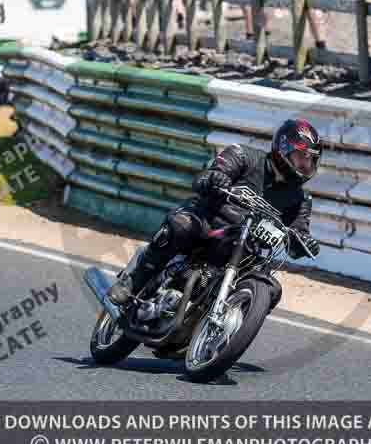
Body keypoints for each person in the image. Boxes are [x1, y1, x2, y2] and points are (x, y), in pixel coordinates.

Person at [107, 118, 323, 312]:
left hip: (247, 250)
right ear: (283, 149)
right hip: (209, 224)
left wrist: (305, 242)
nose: (305, 165)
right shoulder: (243, 155)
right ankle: (133, 281)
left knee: (272, 290)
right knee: (181, 225)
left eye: (310, 161)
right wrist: (215, 178)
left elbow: (298, 232)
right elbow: (208, 176)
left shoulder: (300, 198)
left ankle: (216, 327)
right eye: (301, 158)